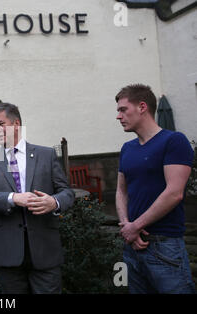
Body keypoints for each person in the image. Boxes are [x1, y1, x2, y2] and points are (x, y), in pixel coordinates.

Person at [0, 103, 75, 294]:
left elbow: (67, 192)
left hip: (45, 248)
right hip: (7, 250)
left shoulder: (46, 155)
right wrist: (12, 198)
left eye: (0, 123)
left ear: (16, 123)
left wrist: (54, 202)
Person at [115, 84, 195, 294]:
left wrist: (135, 226)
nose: (118, 116)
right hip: (131, 246)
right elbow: (121, 191)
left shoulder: (174, 141)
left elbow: (174, 193)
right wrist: (126, 226)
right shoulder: (127, 148)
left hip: (164, 245)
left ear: (142, 107)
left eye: (123, 110)